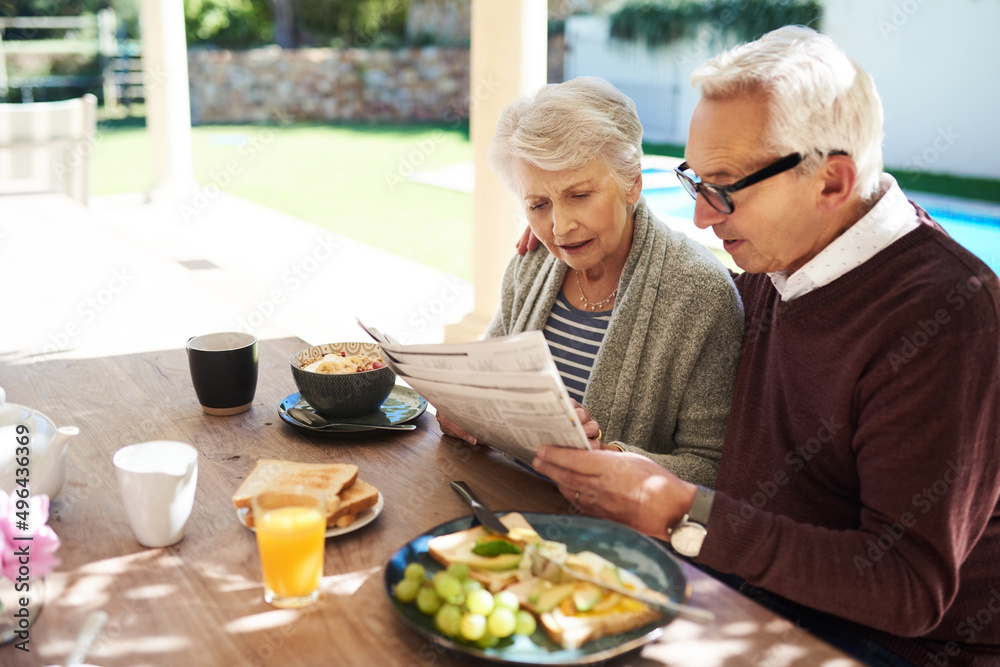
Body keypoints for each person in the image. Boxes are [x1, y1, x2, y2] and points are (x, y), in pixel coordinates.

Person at [530, 26, 1000, 666]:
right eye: (694, 181)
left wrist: (682, 510)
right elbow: (686, 275)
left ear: (831, 182)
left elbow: (908, 589)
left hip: (884, 644)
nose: (701, 216)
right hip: (746, 591)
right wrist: (574, 237)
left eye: (722, 187)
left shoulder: (949, 316)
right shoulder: (775, 265)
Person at [437, 76, 743, 488]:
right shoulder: (530, 266)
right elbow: (488, 380)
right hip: (506, 503)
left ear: (633, 182)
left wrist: (610, 460)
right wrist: (464, 410)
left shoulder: (699, 293)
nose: (560, 227)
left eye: (579, 195)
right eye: (539, 204)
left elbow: (714, 470)